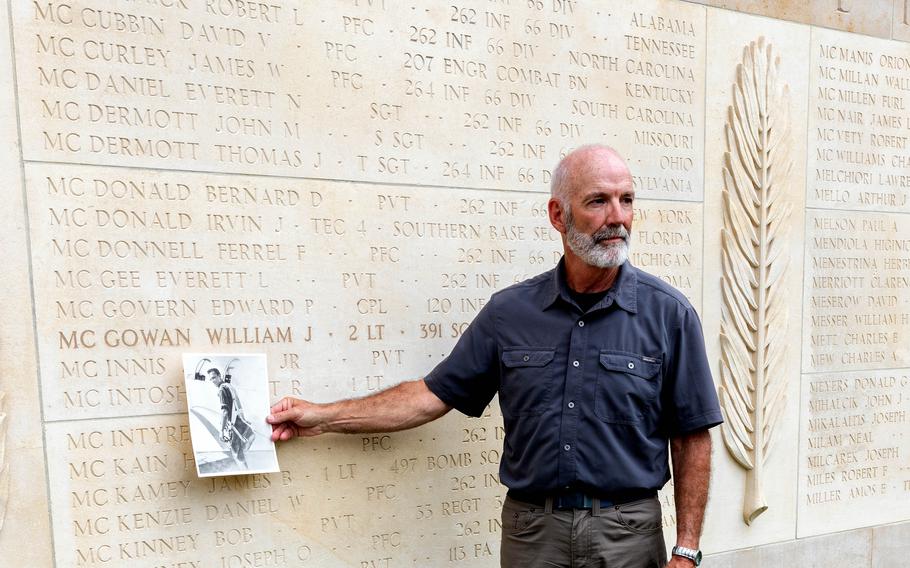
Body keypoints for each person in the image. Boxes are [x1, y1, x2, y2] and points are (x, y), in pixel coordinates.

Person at [268, 144, 722, 568]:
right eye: (598, 201)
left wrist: (687, 550)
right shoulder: (510, 313)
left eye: (627, 200)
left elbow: (692, 437)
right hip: (532, 533)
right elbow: (432, 395)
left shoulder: (669, 314)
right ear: (558, 215)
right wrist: (323, 416)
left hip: (628, 534)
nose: (618, 217)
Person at [208, 367, 254, 465]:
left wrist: (221, 431)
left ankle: (244, 471)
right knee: (245, 447)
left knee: (238, 456)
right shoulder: (229, 386)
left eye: (214, 377)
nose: (212, 381)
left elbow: (225, 412)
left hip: (235, 426)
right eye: (211, 379)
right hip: (241, 423)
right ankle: (246, 466)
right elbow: (238, 405)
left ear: (219, 376)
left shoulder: (222, 389)